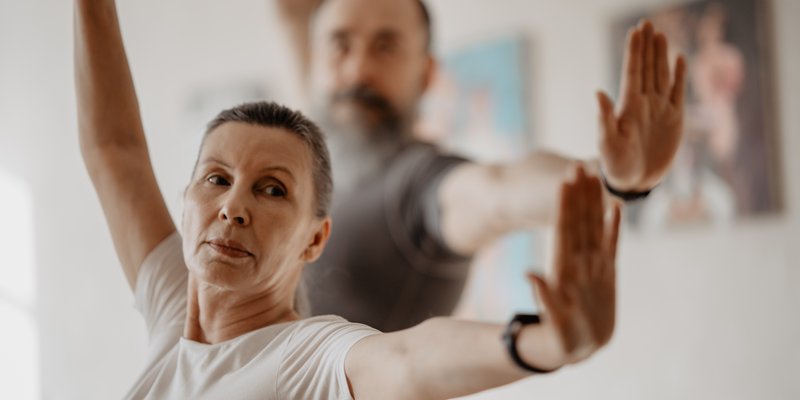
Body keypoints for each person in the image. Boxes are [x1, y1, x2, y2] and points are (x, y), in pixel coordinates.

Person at [75, 1, 620, 398]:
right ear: (186, 196)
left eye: (272, 190)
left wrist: (541, 344)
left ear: (315, 238)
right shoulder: (174, 305)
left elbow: (408, 360)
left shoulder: (306, 356)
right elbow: (114, 151)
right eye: (217, 179)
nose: (233, 207)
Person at [275, 0, 687, 330]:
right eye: (339, 44)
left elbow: (498, 191)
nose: (357, 69)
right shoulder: (304, 169)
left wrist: (612, 179)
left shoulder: (419, 184)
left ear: (427, 74)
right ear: (314, 61)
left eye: (386, 46)